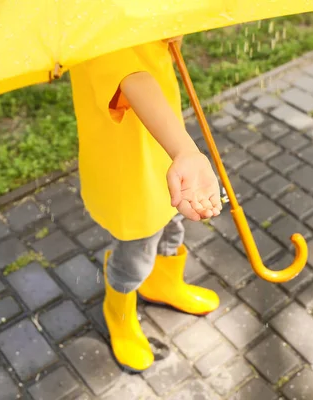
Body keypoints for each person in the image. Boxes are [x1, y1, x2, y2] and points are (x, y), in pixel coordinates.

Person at [68, 36, 223, 373]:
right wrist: (184, 150)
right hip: (128, 163)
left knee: (171, 223)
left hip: (160, 150)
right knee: (137, 246)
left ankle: (163, 282)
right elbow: (132, 77)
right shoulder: (96, 21)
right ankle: (118, 310)